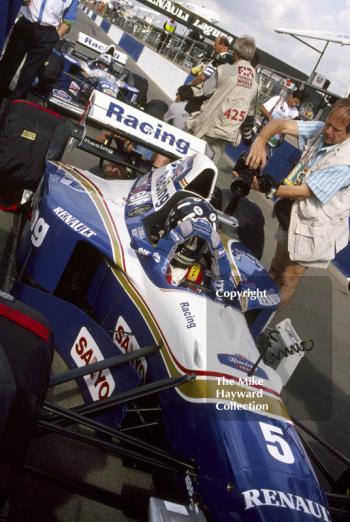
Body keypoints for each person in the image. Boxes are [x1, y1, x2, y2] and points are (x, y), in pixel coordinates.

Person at [246, 97, 350, 308]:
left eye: (336, 130)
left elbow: (303, 192)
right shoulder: (322, 130)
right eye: (328, 124)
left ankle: (263, 320)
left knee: (288, 277)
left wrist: (267, 188)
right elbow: (281, 124)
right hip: (294, 216)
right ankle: (254, 308)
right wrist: (260, 141)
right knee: (275, 267)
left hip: (317, 229)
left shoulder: (345, 161)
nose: (328, 132)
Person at [187, 35, 258, 169]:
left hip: (210, 125)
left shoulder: (227, 69)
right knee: (207, 168)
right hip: (229, 129)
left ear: (235, 52)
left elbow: (206, 91)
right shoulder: (256, 78)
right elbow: (251, 110)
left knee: (188, 161)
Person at [0, 0, 79, 102]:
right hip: (25, 24)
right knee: (7, 66)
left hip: (47, 34)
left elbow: (68, 22)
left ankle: (12, 111)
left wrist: (55, 36)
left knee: (29, 75)